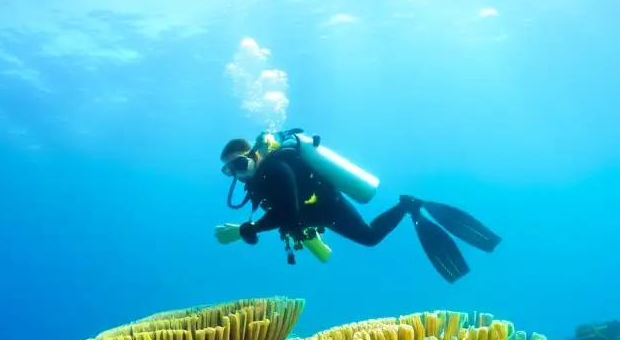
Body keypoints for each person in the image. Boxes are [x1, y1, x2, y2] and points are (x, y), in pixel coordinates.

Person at [214, 129, 501, 283]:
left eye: (239, 164)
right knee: (357, 238)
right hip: (310, 214)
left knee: (369, 237)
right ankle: (407, 206)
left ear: (255, 155)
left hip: (326, 205)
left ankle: (408, 206)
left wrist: (247, 229)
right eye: (230, 171)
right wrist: (256, 226)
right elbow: (283, 212)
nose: (238, 173)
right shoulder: (255, 180)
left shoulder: (277, 168)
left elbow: (287, 210)